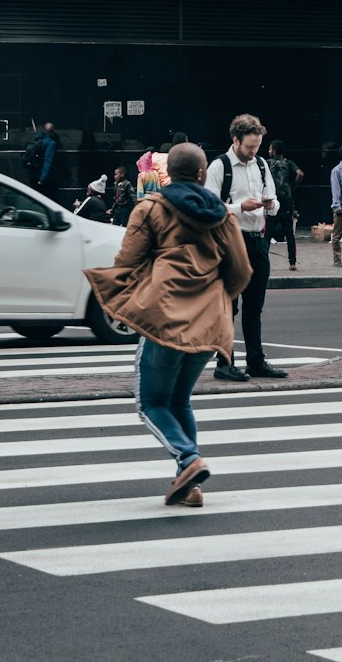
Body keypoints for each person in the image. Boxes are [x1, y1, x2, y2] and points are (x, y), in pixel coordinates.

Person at [84, 142, 252, 507]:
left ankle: (189, 459)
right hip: (209, 323)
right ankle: (189, 485)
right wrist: (216, 299)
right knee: (179, 400)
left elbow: (126, 261)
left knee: (151, 402)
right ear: (202, 174)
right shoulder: (223, 215)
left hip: (164, 316)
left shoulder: (150, 209)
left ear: (166, 174)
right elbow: (241, 272)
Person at [205, 113, 286, 381]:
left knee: (255, 306)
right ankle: (224, 364)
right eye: (250, 146)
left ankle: (255, 361)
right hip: (230, 239)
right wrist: (241, 207)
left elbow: (274, 204)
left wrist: (269, 204)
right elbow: (209, 207)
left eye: (257, 146)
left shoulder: (261, 165)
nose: (254, 152)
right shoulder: (220, 166)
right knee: (229, 305)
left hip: (257, 240)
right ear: (235, 140)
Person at [266, 139, 303, 271]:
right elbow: (300, 174)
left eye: (270, 149)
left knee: (268, 233)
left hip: (273, 202)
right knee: (289, 234)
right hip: (287, 202)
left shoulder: (267, 163)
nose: (269, 151)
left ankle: (264, 261)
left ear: (274, 150)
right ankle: (292, 263)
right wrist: (292, 187)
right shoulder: (288, 163)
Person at [28, 122, 60, 202]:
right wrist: (42, 178)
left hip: (33, 174)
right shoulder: (51, 143)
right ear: (53, 131)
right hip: (44, 177)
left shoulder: (37, 139)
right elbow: (47, 161)